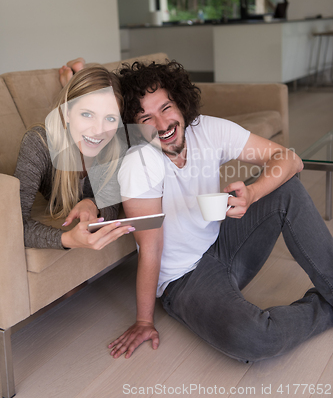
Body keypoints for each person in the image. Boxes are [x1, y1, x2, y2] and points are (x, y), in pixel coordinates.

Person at [106, 60, 333, 363]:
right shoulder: (139, 163)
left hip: (224, 242)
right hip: (184, 279)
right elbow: (150, 248)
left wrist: (252, 193)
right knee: (255, 339)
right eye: (145, 117)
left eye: (166, 108)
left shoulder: (208, 129)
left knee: (286, 189)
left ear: (181, 102)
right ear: (134, 126)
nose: (161, 125)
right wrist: (144, 321)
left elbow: (289, 159)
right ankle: (325, 309)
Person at [14, 65, 134, 250]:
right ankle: (71, 77)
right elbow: (12, 225)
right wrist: (67, 239)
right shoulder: (39, 144)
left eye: (110, 118)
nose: (99, 130)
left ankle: (71, 80)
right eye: (87, 114)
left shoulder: (116, 144)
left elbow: (110, 205)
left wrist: (92, 204)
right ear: (67, 112)